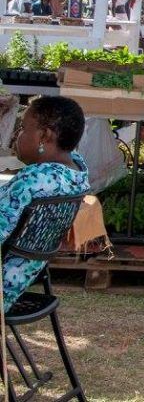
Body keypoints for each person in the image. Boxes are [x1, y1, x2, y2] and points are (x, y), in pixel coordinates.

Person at [0, 96, 89, 311]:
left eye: (23, 128)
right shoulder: (76, 173)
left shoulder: (33, 179)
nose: (17, 135)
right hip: (20, 280)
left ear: (44, 136)